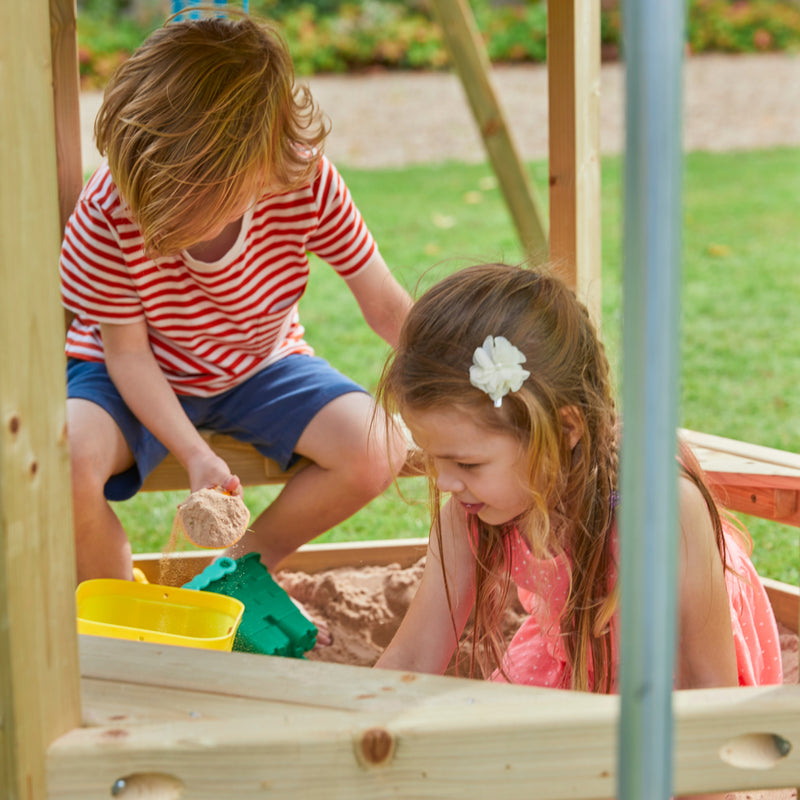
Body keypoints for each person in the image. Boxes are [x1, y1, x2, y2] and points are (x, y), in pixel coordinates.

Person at [60, 14, 412, 584]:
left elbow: (387, 307)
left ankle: (238, 570)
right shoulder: (108, 206)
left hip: (259, 364)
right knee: (69, 459)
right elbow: (127, 354)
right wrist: (195, 454)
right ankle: (116, 603)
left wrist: (461, 381)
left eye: (187, 210)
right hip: (128, 373)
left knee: (379, 447)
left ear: (261, 166)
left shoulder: (305, 182)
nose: (160, 225)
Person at [374, 262, 782, 699]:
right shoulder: (468, 513)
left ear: (566, 429)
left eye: (467, 464)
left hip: (670, 674)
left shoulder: (664, 511)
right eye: (432, 458)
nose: (445, 482)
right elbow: (413, 656)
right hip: (579, 651)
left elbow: (709, 686)